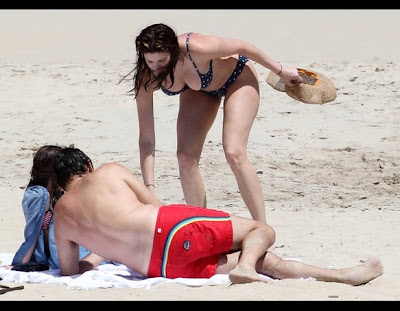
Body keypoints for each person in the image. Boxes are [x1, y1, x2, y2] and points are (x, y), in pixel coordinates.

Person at [53, 146, 383, 285]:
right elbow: (153, 204)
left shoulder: (62, 217)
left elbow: (70, 271)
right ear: (88, 167)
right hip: (169, 229)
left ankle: (343, 276)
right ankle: (245, 267)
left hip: (160, 267)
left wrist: (102, 252)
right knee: (260, 230)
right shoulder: (109, 171)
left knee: (265, 261)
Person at [119, 23, 305, 223]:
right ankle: (201, 227)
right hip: (200, 91)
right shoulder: (146, 79)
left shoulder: (196, 47)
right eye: (150, 61)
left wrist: (280, 70)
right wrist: (150, 189)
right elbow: (146, 140)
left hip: (238, 78)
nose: (156, 68)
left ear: (173, 50)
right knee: (185, 158)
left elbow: (242, 47)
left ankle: (262, 228)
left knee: (234, 153)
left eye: (162, 60)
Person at [7, 145, 106, 272]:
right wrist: (20, 262)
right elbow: (33, 231)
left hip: (65, 248)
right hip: (57, 254)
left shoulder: (59, 192)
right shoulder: (38, 194)